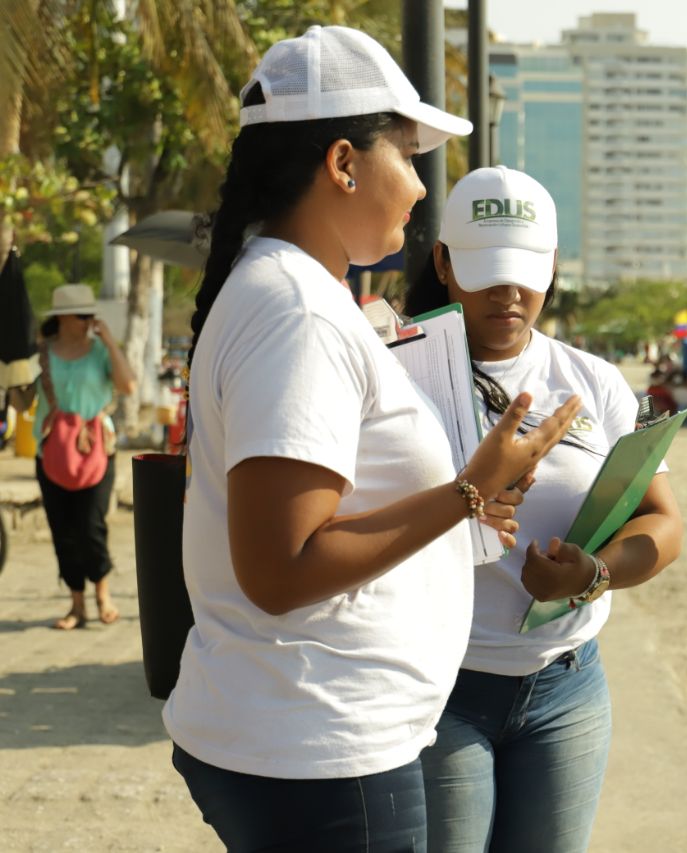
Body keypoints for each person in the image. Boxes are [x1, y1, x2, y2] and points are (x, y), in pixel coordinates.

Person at [162, 28, 580, 851]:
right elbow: (280, 570)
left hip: (310, 734)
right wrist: (469, 487)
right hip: (319, 747)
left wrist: (458, 515)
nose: (421, 188)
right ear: (344, 163)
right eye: (411, 156)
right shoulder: (296, 310)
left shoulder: (293, 293)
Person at [409, 166, 683, 853]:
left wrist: (591, 574)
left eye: (526, 270)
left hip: (568, 686)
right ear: (442, 263)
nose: (508, 291)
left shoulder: (594, 382)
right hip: (441, 684)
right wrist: (467, 500)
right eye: (484, 269)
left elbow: (662, 521)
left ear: (554, 263)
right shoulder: (395, 373)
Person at [35, 283, 136, 629]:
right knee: (62, 528)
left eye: (91, 314)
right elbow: (22, 399)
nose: (89, 320)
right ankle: (76, 604)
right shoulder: (41, 353)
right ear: (63, 317)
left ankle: (102, 594)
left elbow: (129, 387)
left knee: (92, 526)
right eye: (83, 315)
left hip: (97, 449)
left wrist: (109, 341)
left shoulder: (100, 352)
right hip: (51, 450)